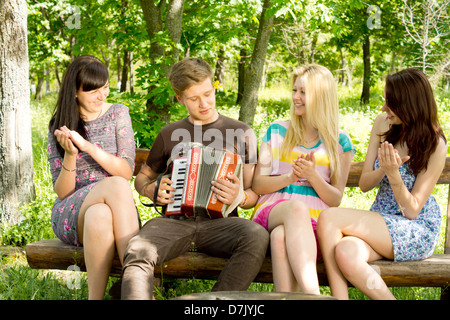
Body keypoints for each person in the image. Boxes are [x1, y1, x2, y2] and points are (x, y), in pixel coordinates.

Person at [121, 57, 269, 300]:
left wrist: (240, 197)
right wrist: (150, 190)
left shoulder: (242, 133)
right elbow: (143, 177)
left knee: (257, 236)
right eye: (193, 98)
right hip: (174, 221)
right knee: (137, 250)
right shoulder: (169, 133)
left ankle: (213, 305)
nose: (204, 103)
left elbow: (254, 194)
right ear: (179, 99)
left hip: (222, 223)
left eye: (208, 93)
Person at [317, 68, 447, 300]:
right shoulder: (382, 124)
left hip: (415, 229)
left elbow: (412, 210)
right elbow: (365, 184)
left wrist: (394, 174)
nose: (383, 109)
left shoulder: (435, 144)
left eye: (390, 103)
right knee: (345, 251)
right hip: (381, 220)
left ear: (410, 105)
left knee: (329, 217)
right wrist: (382, 170)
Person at [251, 64, 355, 294]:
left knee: (281, 238)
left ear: (321, 97)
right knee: (296, 210)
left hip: (315, 225)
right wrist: (291, 176)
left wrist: (312, 177)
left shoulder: (341, 142)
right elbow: (258, 184)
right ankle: (314, 296)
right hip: (272, 211)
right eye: (294, 91)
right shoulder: (276, 131)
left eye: (303, 92)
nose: (295, 97)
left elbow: (335, 198)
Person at [47, 55, 140, 299]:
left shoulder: (119, 114)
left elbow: (126, 171)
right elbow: (63, 192)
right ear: (75, 92)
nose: (103, 96)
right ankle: (137, 290)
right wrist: (70, 154)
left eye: (106, 87)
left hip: (116, 211)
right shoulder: (59, 125)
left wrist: (88, 147)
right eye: (93, 91)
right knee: (117, 186)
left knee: (100, 214)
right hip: (72, 212)